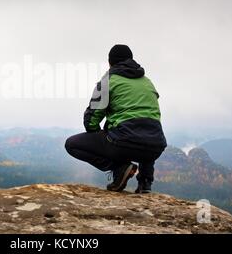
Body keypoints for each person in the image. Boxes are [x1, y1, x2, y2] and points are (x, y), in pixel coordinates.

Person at [65, 44, 167, 193]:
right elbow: (148, 121)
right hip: (156, 146)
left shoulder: (108, 81)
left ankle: (120, 168)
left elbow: (91, 121)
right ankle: (145, 183)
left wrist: (102, 136)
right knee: (147, 132)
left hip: (123, 144)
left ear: (110, 62)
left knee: (71, 144)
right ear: (132, 60)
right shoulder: (147, 82)